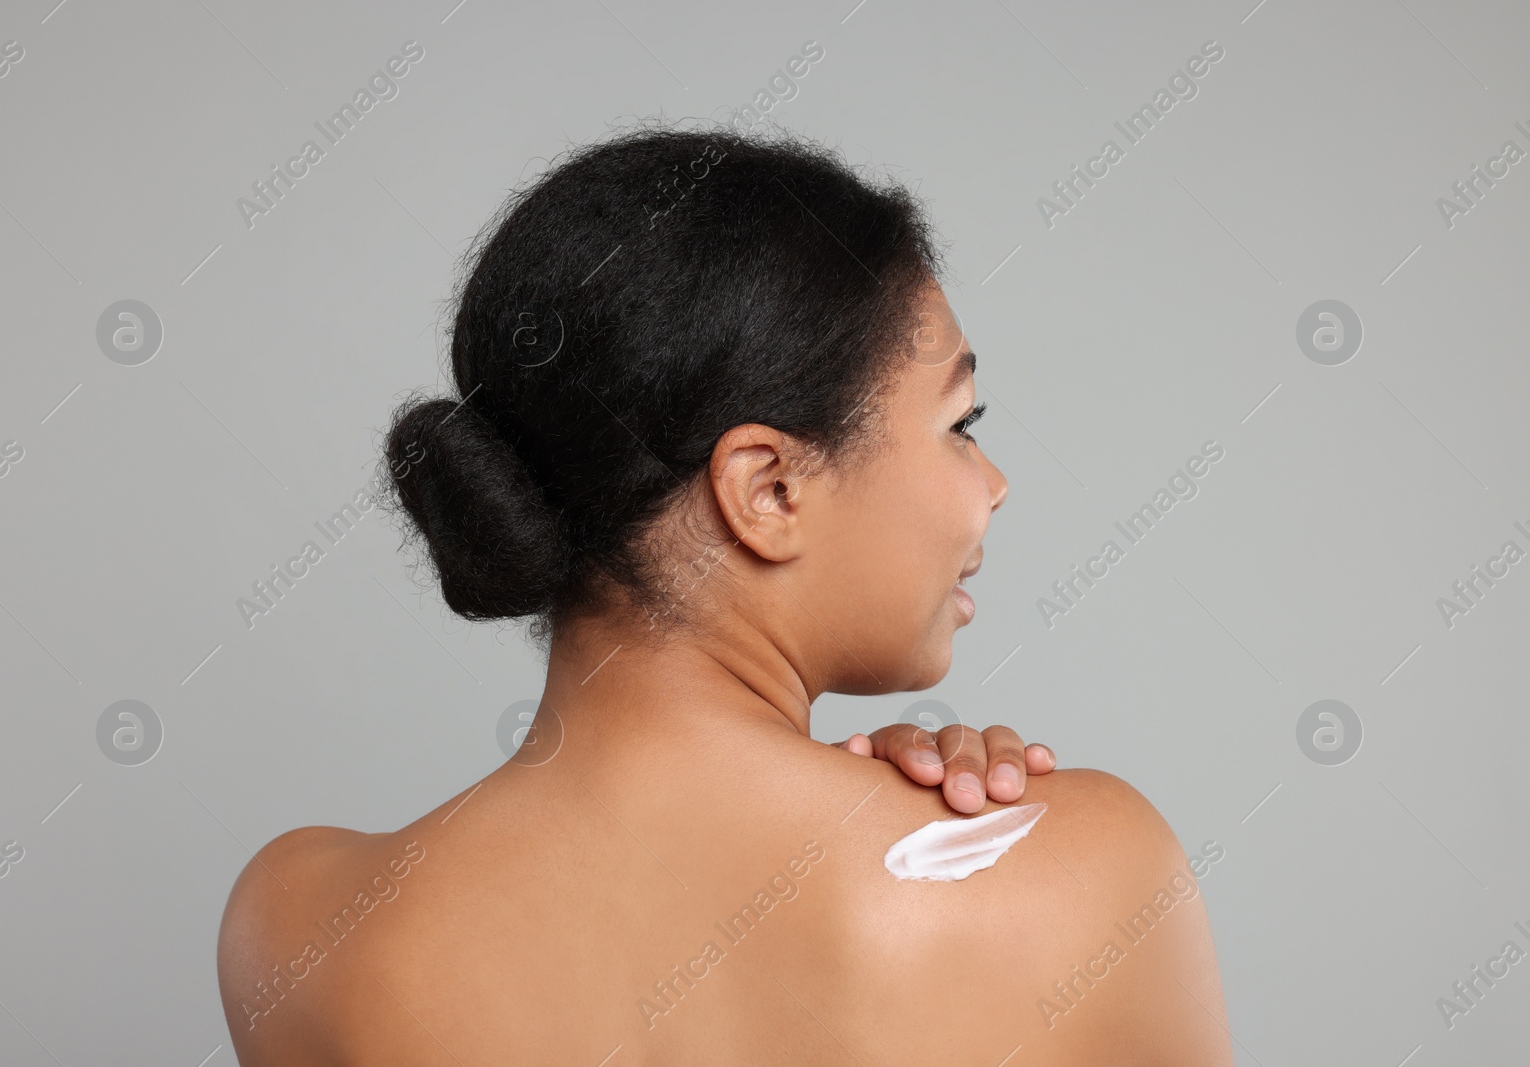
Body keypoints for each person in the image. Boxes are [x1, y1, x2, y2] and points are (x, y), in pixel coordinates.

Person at [217, 123, 1231, 1065]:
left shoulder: (303, 921)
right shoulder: (1083, 866)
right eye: (960, 426)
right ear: (768, 488)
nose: (995, 483)